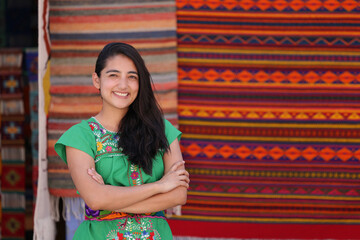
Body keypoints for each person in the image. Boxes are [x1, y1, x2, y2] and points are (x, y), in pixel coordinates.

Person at [54, 42, 189, 239]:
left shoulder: (162, 130)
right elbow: (95, 199)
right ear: (96, 80)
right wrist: (160, 186)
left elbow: (178, 195)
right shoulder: (80, 136)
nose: (123, 85)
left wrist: (108, 198)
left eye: (132, 77)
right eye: (113, 75)